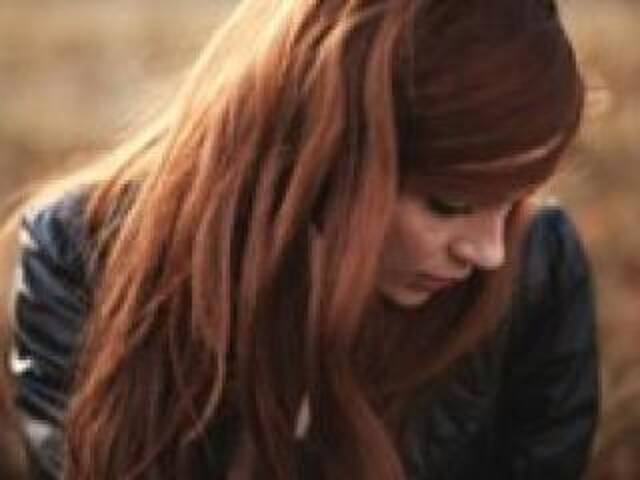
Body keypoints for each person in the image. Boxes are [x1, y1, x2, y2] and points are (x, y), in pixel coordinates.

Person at [4, 0, 599, 478]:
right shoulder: (80, 255)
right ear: (325, 150)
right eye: (449, 205)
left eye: (512, 199)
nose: (489, 251)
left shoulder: (537, 269)